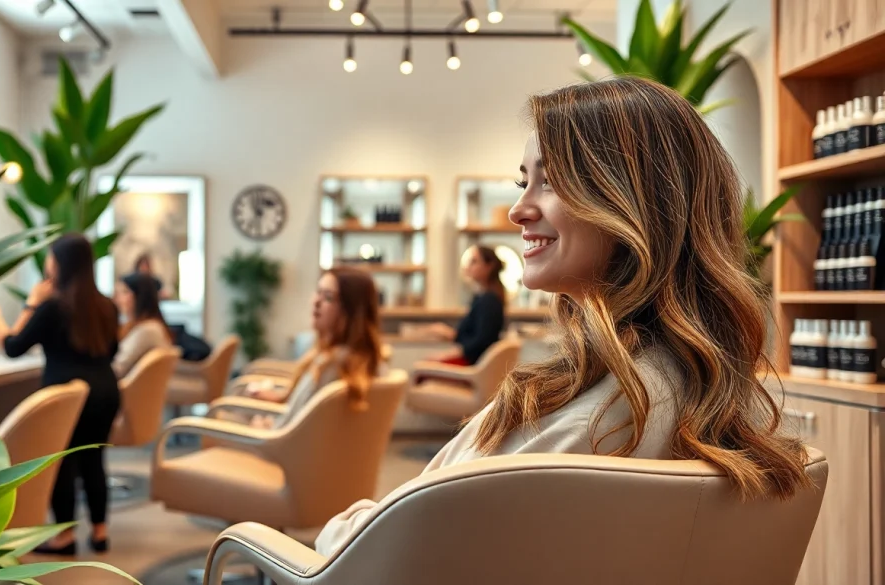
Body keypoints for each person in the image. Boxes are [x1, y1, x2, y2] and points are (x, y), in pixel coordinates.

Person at [313, 77, 812, 556]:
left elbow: (387, 549)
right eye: (523, 182)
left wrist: (339, 526)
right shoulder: (706, 398)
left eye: (549, 182)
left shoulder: (597, 418)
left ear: (632, 203)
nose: (517, 210)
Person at [0, 234, 121, 556]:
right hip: (105, 392)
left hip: (66, 397)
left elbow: (13, 347)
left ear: (60, 264)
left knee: (61, 464)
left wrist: (8, 313)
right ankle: (100, 533)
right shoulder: (107, 307)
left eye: (50, 258)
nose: (46, 264)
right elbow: (112, 350)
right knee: (94, 461)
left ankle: (65, 537)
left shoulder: (52, 308)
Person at [242, 266, 383, 429]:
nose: (315, 301)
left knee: (221, 417)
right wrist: (279, 399)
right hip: (299, 447)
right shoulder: (365, 361)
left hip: (280, 448)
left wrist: (260, 424)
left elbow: (286, 430)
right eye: (318, 292)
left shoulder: (330, 365)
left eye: (328, 297)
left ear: (350, 313)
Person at [423, 245, 506, 365]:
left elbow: (482, 342)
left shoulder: (489, 301)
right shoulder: (482, 298)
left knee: (425, 365)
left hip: (474, 364)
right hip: (475, 361)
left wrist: (451, 350)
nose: (468, 267)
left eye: (474, 262)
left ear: (489, 266)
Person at [112, 272, 173, 378]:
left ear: (139, 296)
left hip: (130, 392)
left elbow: (117, 369)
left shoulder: (148, 330)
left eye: (124, 292)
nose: (116, 299)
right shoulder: (147, 326)